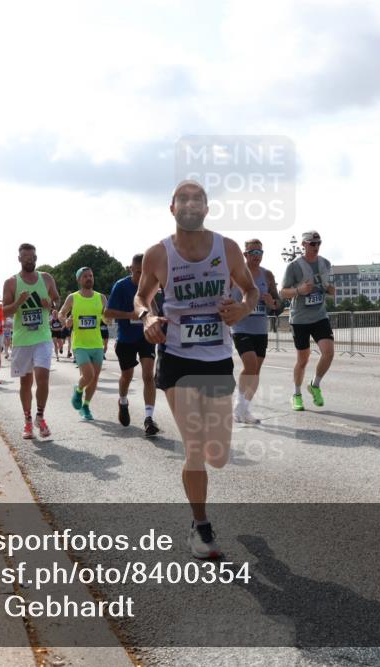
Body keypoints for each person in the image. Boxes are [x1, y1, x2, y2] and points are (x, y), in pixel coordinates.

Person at [135, 180, 257, 559]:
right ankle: (201, 527)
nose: (190, 204)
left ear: (206, 209)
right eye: (183, 198)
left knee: (217, 454)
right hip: (176, 358)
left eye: (198, 199)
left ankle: (201, 502)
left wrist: (243, 308)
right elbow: (142, 297)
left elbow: (250, 291)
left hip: (217, 358)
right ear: (172, 208)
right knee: (194, 447)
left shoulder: (228, 249)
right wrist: (146, 317)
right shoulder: (159, 254)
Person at [3, 244, 59, 439]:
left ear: (36, 258)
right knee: (26, 383)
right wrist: (18, 303)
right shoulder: (11, 283)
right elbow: (4, 312)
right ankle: (27, 421)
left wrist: (50, 304)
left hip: (42, 337)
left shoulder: (46, 278)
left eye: (32, 256)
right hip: (22, 340)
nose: (29, 259)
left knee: (43, 378)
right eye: (25, 256)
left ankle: (40, 417)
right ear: (19, 258)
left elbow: (56, 300)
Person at [104, 254, 161, 436]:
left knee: (148, 376)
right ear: (130, 269)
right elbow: (108, 312)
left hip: (145, 337)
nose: (141, 276)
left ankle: (149, 418)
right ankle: (122, 401)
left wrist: (154, 319)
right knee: (127, 376)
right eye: (138, 272)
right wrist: (130, 315)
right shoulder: (121, 286)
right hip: (126, 338)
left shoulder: (150, 284)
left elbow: (155, 309)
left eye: (145, 272)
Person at [279, 230, 336, 411]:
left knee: (329, 352)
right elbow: (283, 291)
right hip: (300, 319)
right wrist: (299, 291)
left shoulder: (325, 263)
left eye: (319, 243)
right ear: (303, 244)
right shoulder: (294, 266)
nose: (316, 247)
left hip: (319, 316)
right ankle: (296, 394)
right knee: (303, 360)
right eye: (312, 244)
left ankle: (315, 385)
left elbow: (327, 287)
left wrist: (330, 290)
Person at [230, 239, 280, 424]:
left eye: (260, 252)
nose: (256, 256)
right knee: (250, 365)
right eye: (253, 252)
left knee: (256, 370)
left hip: (260, 328)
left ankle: (245, 409)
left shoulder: (267, 275)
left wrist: (272, 303)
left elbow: (278, 304)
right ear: (245, 254)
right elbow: (221, 295)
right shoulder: (234, 273)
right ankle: (238, 407)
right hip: (240, 326)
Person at [59, 267, 108, 421]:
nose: (89, 278)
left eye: (91, 276)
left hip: (97, 343)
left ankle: (86, 405)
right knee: (88, 375)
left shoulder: (101, 298)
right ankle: (79, 390)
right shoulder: (73, 298)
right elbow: (61, 313)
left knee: (94, 378)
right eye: (85, 276)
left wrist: (109, 319)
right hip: (80, 344)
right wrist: (65, 320)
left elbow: (106, 317)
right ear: (79, 280)